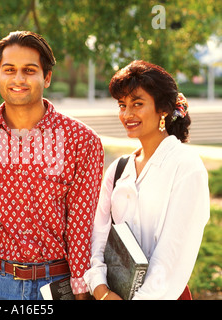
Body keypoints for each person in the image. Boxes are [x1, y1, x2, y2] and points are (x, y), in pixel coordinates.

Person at [0, 31, 104, 300]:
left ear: (47, 77)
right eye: (10, 70)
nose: (19, 78)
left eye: (29, 70)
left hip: (58, 284)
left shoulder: (82, 141)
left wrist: (81, 293)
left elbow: (81, 226)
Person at [83, 60, 210, 300]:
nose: (127, 114)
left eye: (137, 104)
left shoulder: (186, 166)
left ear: (162, 108)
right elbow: (98, 236)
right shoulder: (118, 169)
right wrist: (100, 289)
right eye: (122, 105)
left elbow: (173, 254)